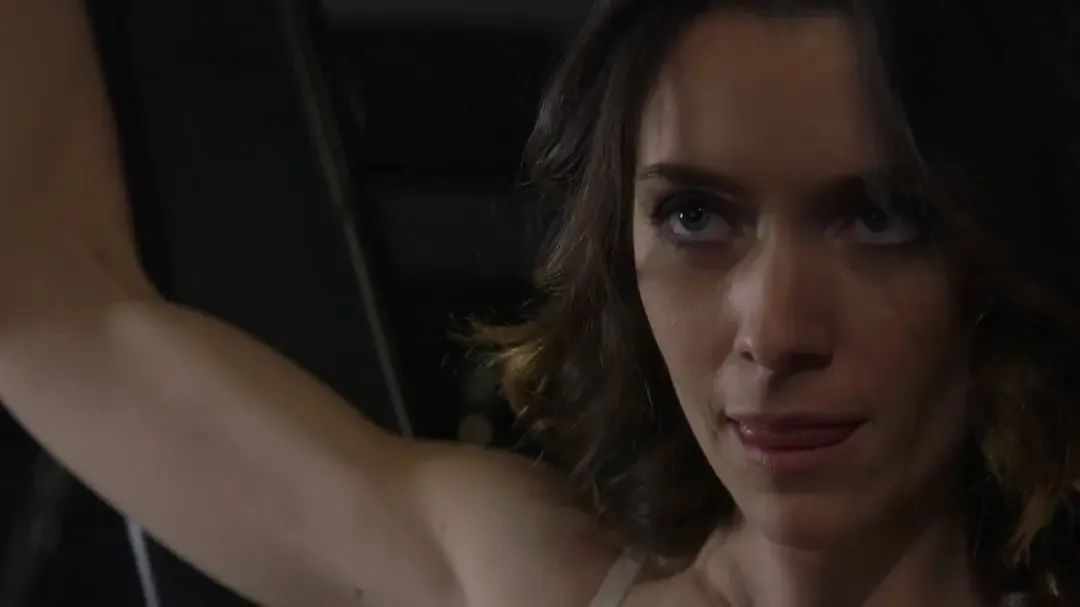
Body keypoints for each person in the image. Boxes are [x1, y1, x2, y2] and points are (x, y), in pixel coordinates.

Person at [0, 0, 1077, 605]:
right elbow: (47, 304)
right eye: (695, 217)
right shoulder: (520, 580)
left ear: (990, 255)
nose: (774, 332)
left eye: (878, 219)